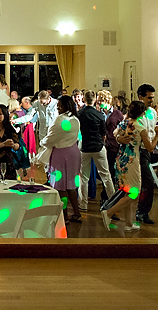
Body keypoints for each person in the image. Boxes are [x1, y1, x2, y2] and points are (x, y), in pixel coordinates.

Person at [102, 100, 154, 237]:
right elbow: (149, 148)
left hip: (121, 159)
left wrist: (119, 138)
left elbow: (114, 133)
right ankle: (109, 212)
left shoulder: (124, 123)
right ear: (142, 113)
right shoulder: (139, 127)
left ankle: (129, 223)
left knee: (127, 191)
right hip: (132, 161)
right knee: (134, 192)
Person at [35, 95, 83, 223]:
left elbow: (51, 138)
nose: (57, 108)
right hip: (74, 152)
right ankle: (77, 213)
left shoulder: (60, 120)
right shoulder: (76, 120)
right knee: (71, 185)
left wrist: (42, 142)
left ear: (65, 106)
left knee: (60, 186)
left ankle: (64, 216)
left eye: (59, 106)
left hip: (60, 154)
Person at [77, 90, 116, 211]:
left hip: (85, 147)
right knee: (106, 176)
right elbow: (104, 134)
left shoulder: (79, 114)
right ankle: (113, 202)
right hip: (98, 147)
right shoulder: (100, 115)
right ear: (95, 100)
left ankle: (83, 204)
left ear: (84, 99)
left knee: (83, 178)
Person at [126, 83, 157, 225]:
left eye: (152, 97)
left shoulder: (153, 113)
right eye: (149, 97)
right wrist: (119, 138)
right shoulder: (134, 115)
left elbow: (152, 131)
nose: (152, 100)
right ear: (141, 97)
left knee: (145, 183)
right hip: (137, 151)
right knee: (146, 182)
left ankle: (142, 211)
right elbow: (122, 129)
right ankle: (141, 212)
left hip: (147, 150)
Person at [103, 91, 125, 183]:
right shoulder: (98, 113)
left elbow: (122, 127)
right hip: (102, 144)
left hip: (113, 144)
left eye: (100, 100)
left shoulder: (117, 113)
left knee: (110, 167)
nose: (98, 102)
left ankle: (110, 192)